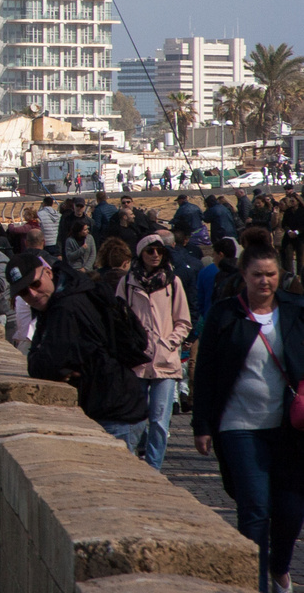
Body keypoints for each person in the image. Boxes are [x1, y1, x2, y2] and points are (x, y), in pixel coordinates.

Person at [192, 242, 304, 592]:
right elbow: (207, 371)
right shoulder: (226, 314)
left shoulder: (296, 311)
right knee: (255, 509)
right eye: (257, 275)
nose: (265, 282)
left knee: (290, 511)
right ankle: (253, 585)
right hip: (239, 425)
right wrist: (201, 424)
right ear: (244, 275)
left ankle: (279, 566)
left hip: (289, 427)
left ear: (280, 275)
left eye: (271, 275)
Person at [9, 251, 151, 448]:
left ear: (48, 273)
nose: (32, 294)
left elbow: (43, 366)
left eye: (35, 284)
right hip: (111, 405)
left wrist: (53, 364)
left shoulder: (66, 307)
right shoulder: (63, 294)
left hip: (115, 411)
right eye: (24, 292)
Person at [116, 235, 193, 469]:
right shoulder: (128, 282)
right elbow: (117, 318)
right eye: (150, 251)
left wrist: (170, 342)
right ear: (141, 253)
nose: (155, 255)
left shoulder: (173, 282)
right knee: (135, 419)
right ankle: (131, 465)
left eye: (159, 250)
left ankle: (154, 468)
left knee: (160, 421)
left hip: (165, 361)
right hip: (137, 361)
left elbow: (183, 320)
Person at [199, 237, 244, 322]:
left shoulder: (212, 273)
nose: (213, 259)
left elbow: (201, 300)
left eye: (214, 255)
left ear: (220, 255)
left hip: (215, 320)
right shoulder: (244, 271)